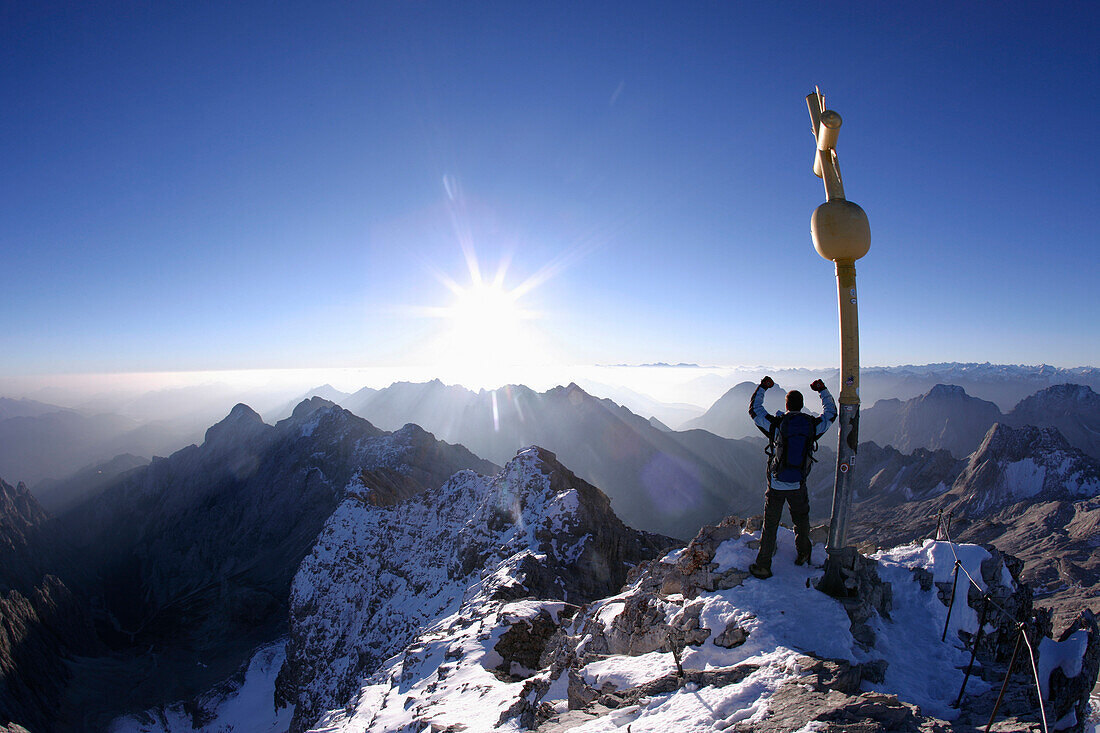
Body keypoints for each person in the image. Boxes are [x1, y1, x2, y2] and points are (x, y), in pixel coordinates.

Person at [747, 376, 836, 579]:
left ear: (786, 405)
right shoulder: (811, 426)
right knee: (801, 520)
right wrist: (822, 390)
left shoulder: (777, 425)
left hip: (777, 484)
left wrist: (762, 387)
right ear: (802, 406)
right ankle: (803, 553)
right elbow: (831, 414)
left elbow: (754, 411)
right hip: (798, 482)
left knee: (770, 525)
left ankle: (763, 566)